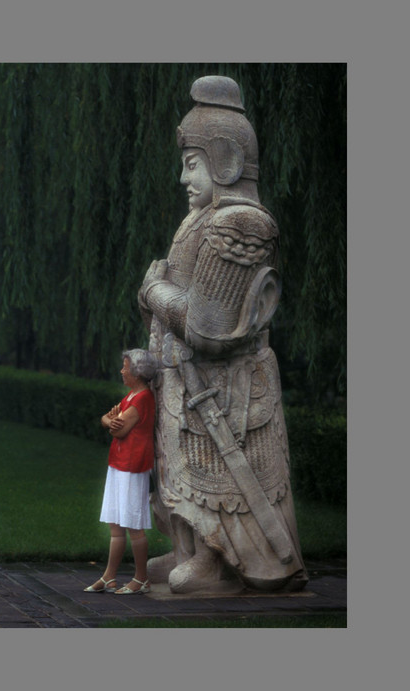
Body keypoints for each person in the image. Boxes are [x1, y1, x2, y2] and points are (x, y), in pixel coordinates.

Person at [138, 75, 306, 593]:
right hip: (186, 383)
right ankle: (187, 549)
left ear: (226, 160)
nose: (183, 178)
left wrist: (152, 291)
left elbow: (206, 327)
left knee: (217, 474)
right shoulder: (198, 220)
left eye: (192, 164)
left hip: (225, 390)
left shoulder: (240, 224)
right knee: (181, 468)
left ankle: (218, 563)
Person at [84, 349, 157, 595]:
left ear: (137, 372)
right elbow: (107, 420)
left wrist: (112, 423)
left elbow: (119, 430)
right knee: (116, 525)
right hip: (118, 464)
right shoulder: (131, 397)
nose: (122, 371)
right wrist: (110, 421)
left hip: (133, 466)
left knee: (134, 524)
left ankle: (141, 578)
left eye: (125, 367)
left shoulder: (143, 398)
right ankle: (109, 577)